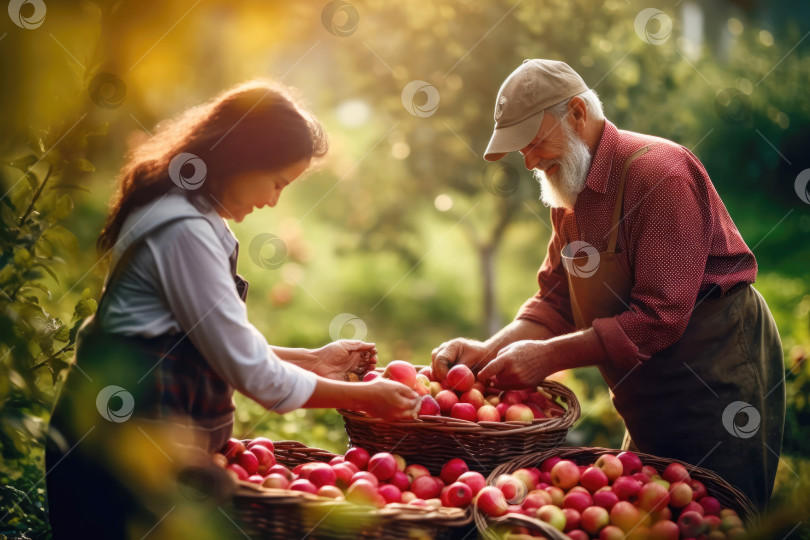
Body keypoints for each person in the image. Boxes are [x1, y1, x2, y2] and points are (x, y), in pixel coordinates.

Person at [46, 80, 418, 539]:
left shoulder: (192, 216)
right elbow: (255, 375)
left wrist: (314, 360)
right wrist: (366, 399)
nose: (273, 200)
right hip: (115, 465)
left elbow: (208, 345)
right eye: (277, 182)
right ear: (243, 158)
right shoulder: (184, 232)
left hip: (143, 457)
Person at [432, 59, 785, 511]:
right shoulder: (568, 188)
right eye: (521, 150)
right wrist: (488, 352)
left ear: (578, 113)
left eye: (534, 142)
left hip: (714, 377)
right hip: (644, 388)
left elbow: (660, 319)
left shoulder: (660, 176)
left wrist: (550, 356)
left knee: (717, 512)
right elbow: (555, 300)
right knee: (646, 514)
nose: (530, 161)